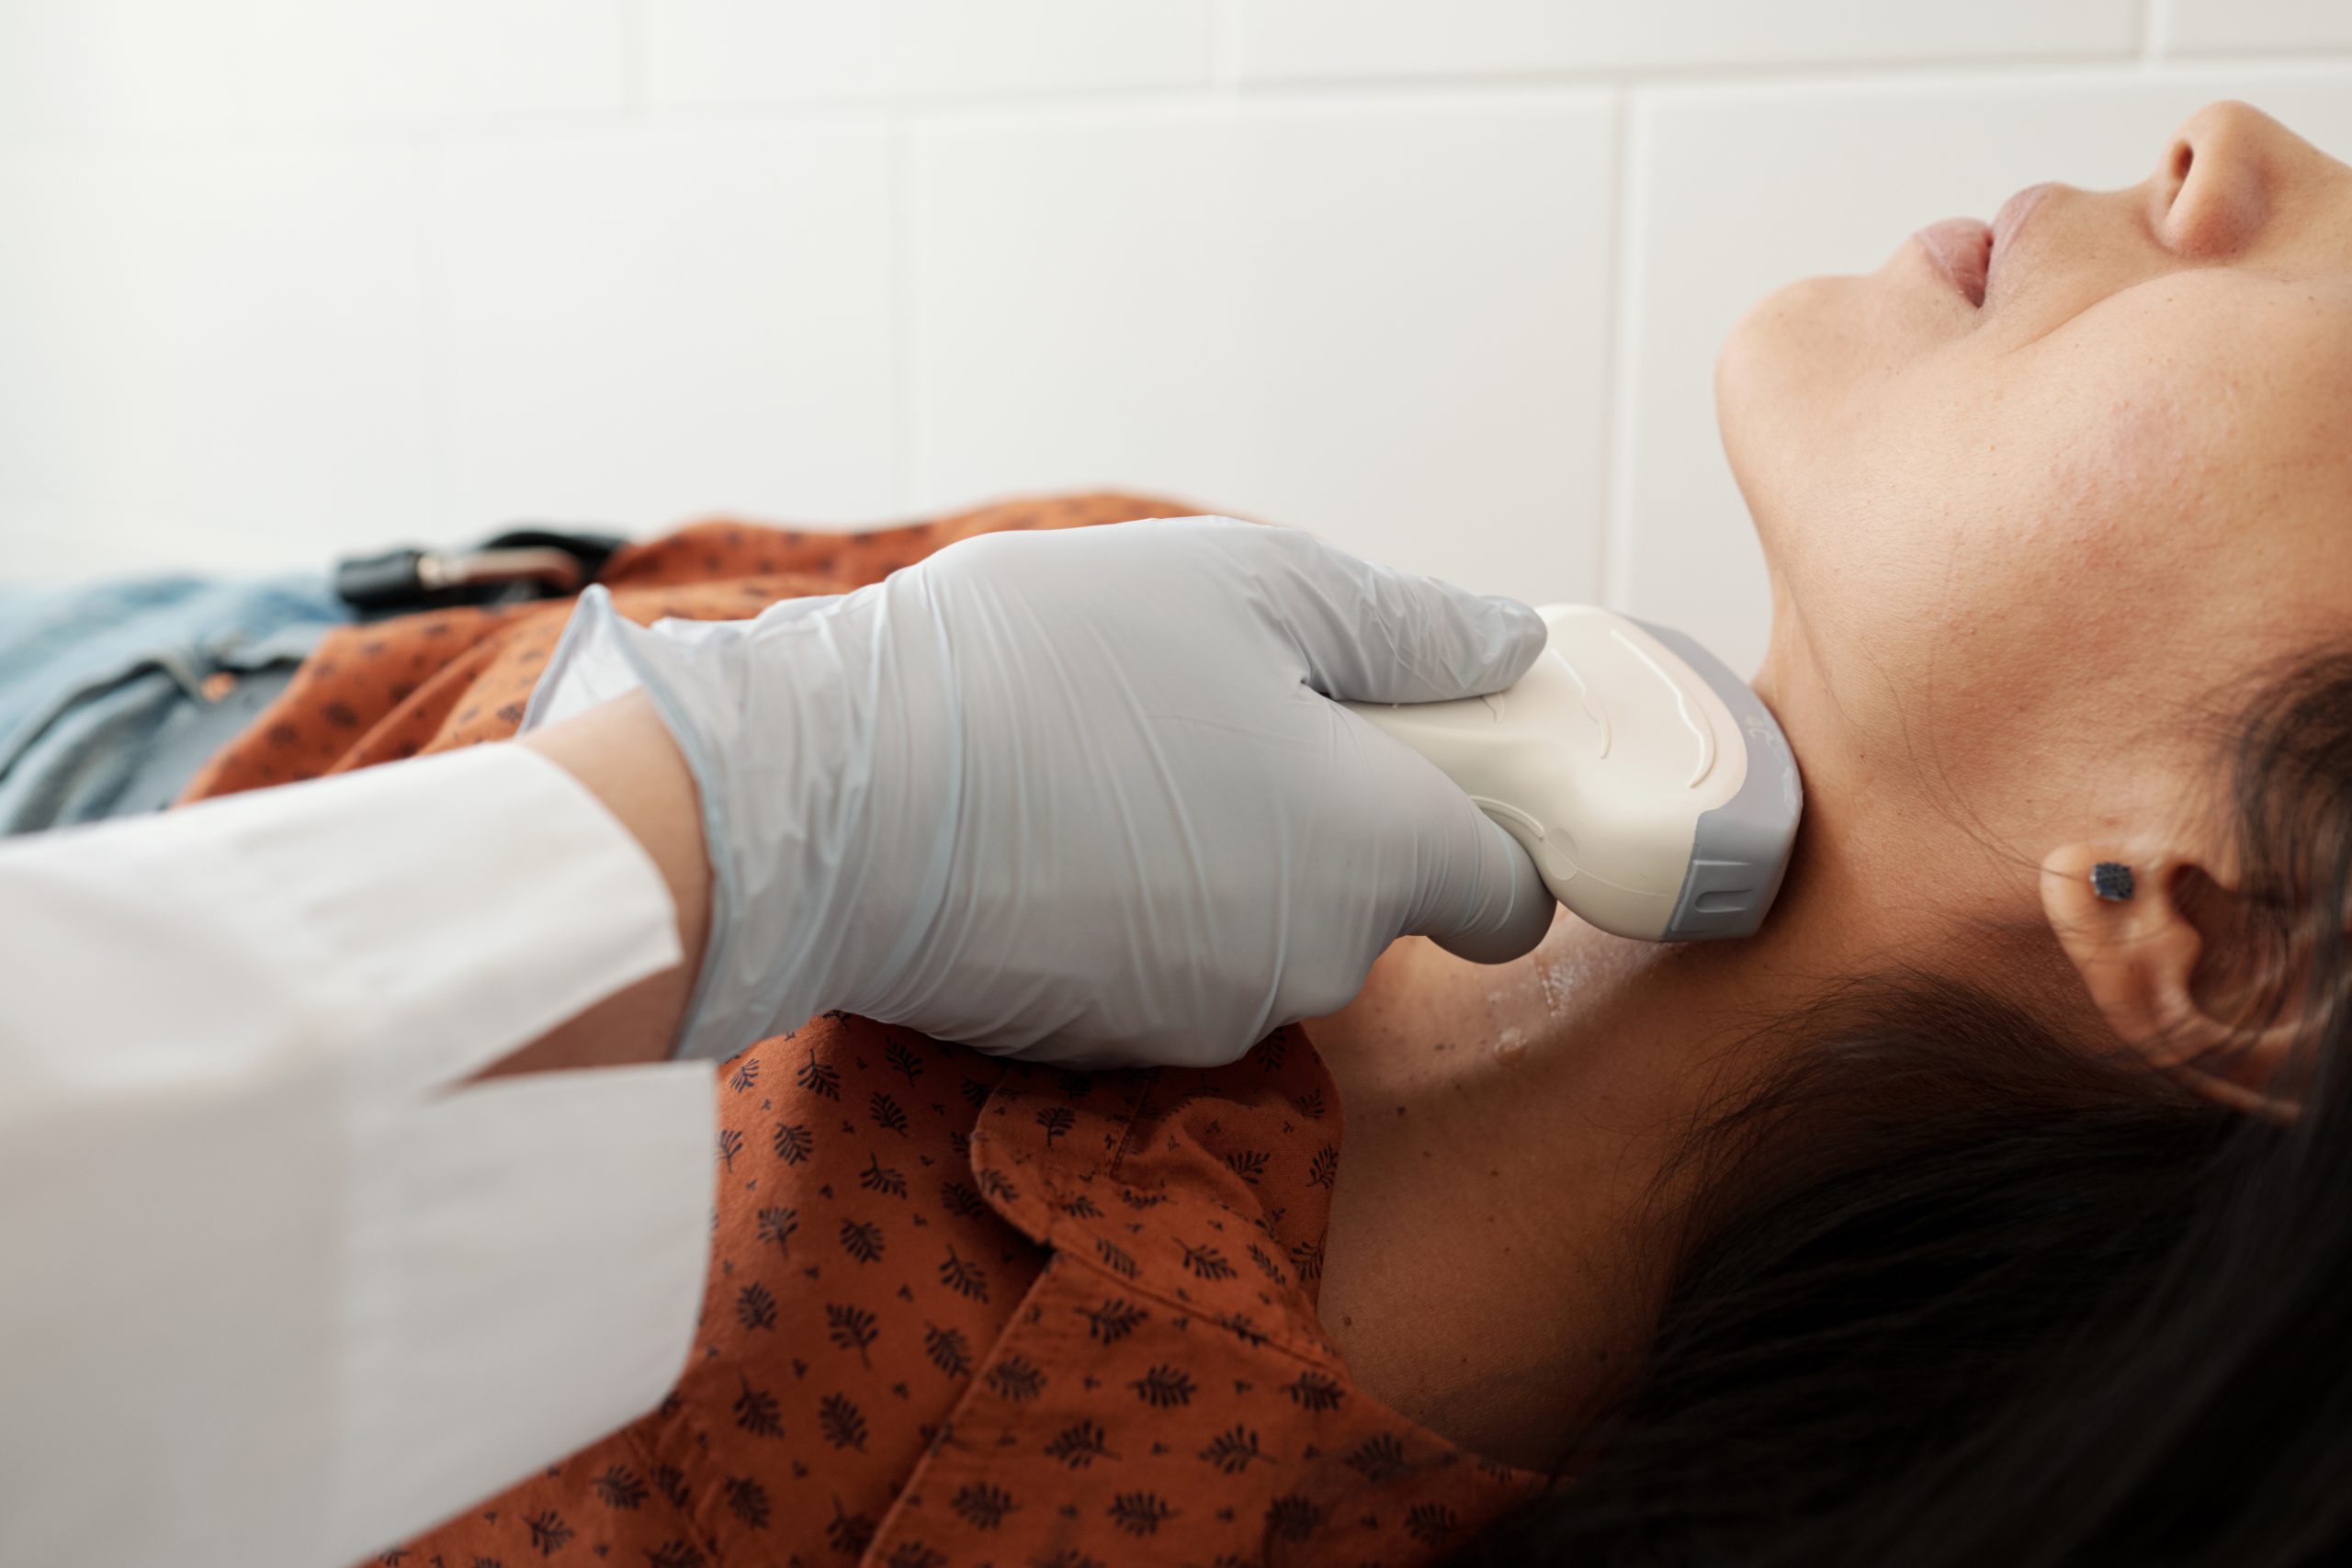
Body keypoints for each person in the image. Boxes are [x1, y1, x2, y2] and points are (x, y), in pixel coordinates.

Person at [383, 96, 2352, 1566]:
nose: (2232, 140)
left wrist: (746, 802)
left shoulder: (1099, 1436)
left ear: (2249, 944)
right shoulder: (1341, 678)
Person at [0, 514, 1555, 1568]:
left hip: (139, 809)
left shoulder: (1131, 1410)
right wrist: (792, 784)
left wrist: (794, 794)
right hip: (251, 695)